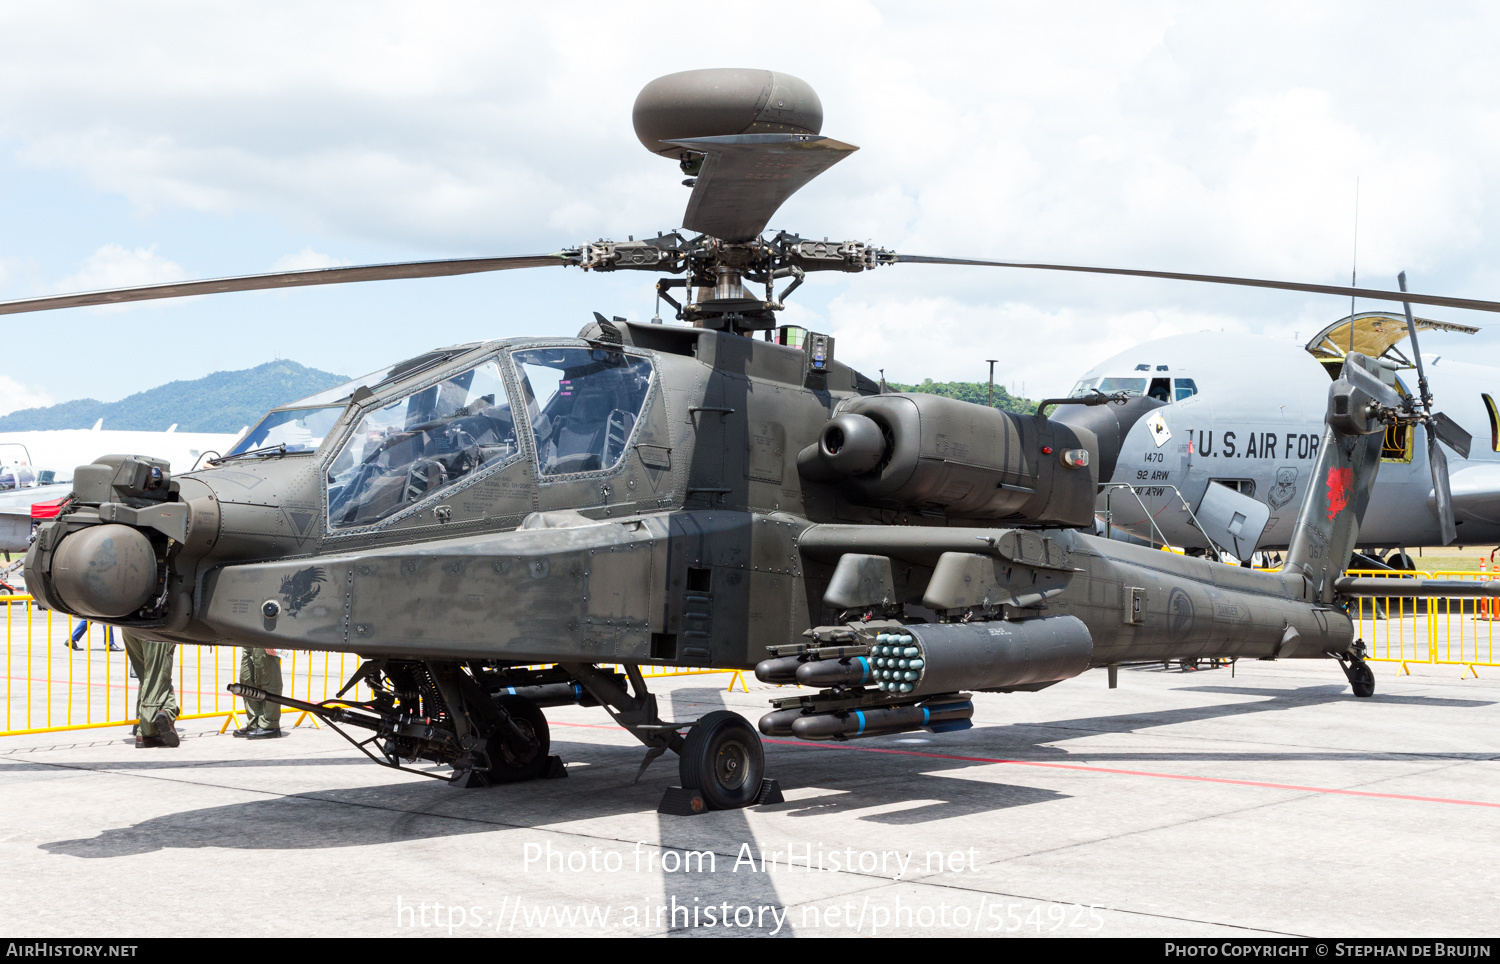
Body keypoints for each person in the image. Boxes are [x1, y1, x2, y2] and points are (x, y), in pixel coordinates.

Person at [121, 630, 179, 748]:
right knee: (157, 677)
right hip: (155, 625)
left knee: (147, 678)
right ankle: (147, 730)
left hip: (128, 625)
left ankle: (160, 714)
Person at [235, 647, 284, 739]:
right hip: (249, 636)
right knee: (247, 679)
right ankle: (255, 723)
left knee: (268, 678)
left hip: (267, 634)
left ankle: (270, 725)